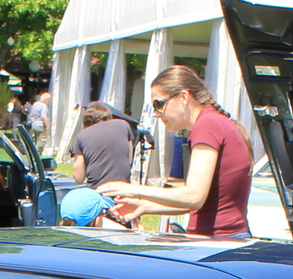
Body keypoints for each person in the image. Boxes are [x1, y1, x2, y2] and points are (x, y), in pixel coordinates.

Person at [100, 65, 252, 239]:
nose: (157, 113)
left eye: (159, 104)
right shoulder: (216, 121)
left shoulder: (207, 125)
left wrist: (134, 189)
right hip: (228, 238)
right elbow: (203, 202)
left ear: (184, 97)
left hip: (217, 240)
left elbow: (194, 196)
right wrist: (145, 206)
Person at [70, 101, 134, 189]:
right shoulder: (124, 125)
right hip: (123, 190)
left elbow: (78, 177)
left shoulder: (81, 136)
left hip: (98, 192)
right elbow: (129, 160)